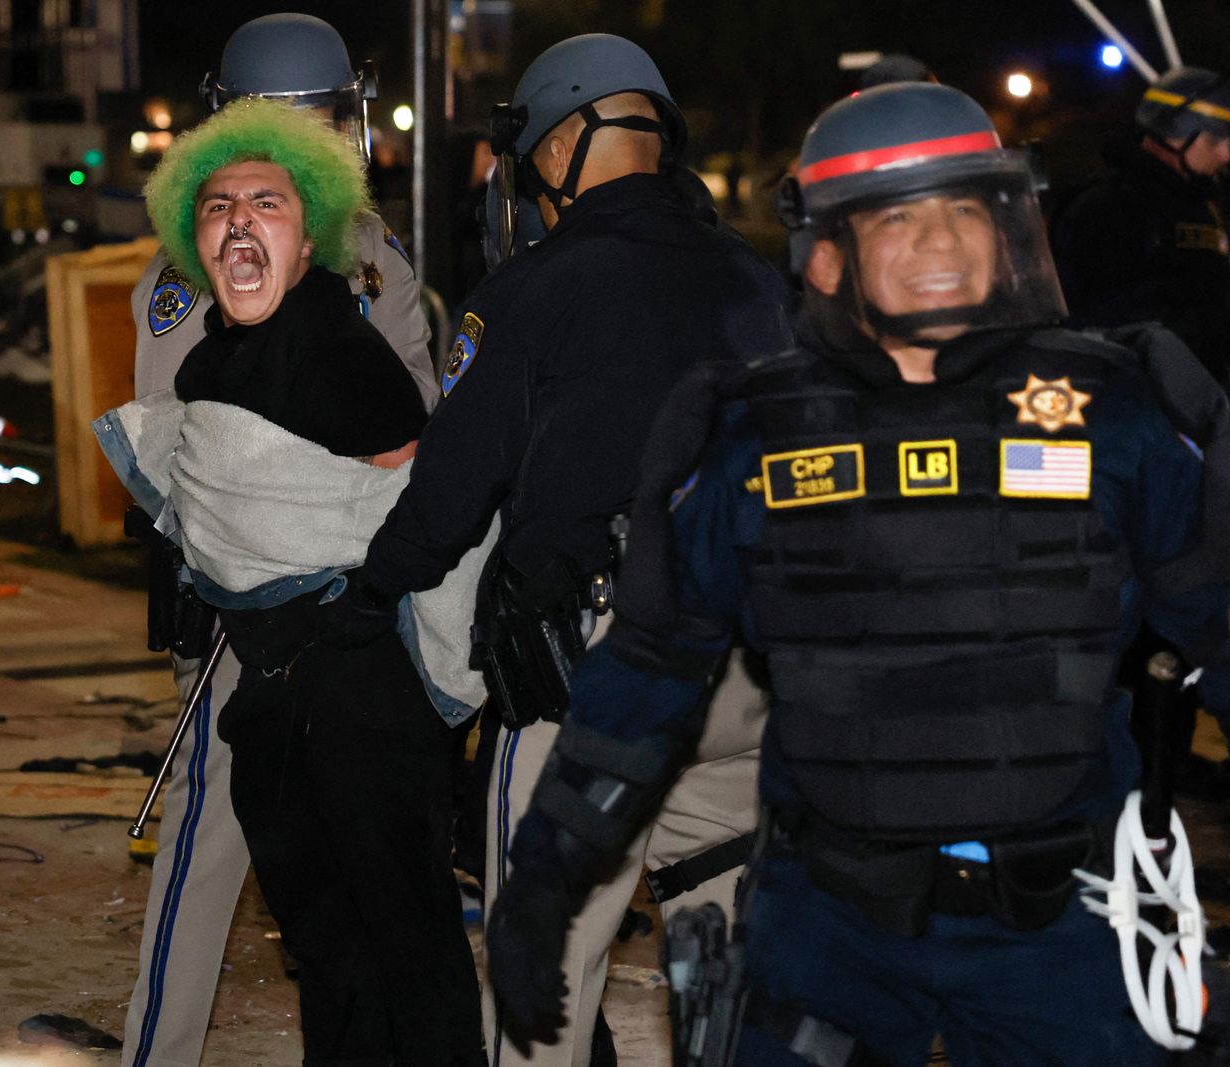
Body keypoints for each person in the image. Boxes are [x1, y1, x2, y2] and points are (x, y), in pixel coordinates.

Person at [486, 80, 1230, 1066]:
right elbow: (646, 678)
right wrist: (544, 883)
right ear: (826, 254)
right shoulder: (749, 439)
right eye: (899, 216)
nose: (941, 241)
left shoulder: (1118, 416)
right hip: (830, 931)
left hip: (1057, 928)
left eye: (966, 209)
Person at [325, 33, 792, 1065]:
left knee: (542, 985)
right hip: (744, 679)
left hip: (593, 677)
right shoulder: (756, 280)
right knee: (730, 970)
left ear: (561, 143)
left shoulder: (536, 286)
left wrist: (369, 592)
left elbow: (451, 487)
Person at [124, 96, 485, 1066]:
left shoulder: (341, 350)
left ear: (312, 228)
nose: (238, 220)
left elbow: (410, 497)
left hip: (360, 700)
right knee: (330, 958)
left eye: (266, 202)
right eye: (217, 206)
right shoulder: (214, 358)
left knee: (410, 953)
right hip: (275, 701)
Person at [1051, 66, 1230, 383]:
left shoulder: (1201, 203)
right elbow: (1108, 320)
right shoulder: (1108, 209)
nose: (1226, 153)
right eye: (1217, 139)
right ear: (1176, 135)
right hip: (1142, 397)